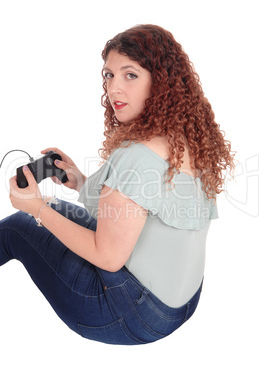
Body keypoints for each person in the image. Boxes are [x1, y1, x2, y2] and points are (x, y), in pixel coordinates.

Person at [0, 24, 235, 345]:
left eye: (130, 75)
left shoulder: (137, 155)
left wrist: (35, 208)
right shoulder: (189, 137)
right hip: (182, 304)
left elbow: (109, 257)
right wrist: (79, 181)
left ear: (162, 81)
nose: (113, 89)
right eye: (109, 75)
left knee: (17, 227)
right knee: (55, 211)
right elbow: (131, 211)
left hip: (133, 315)